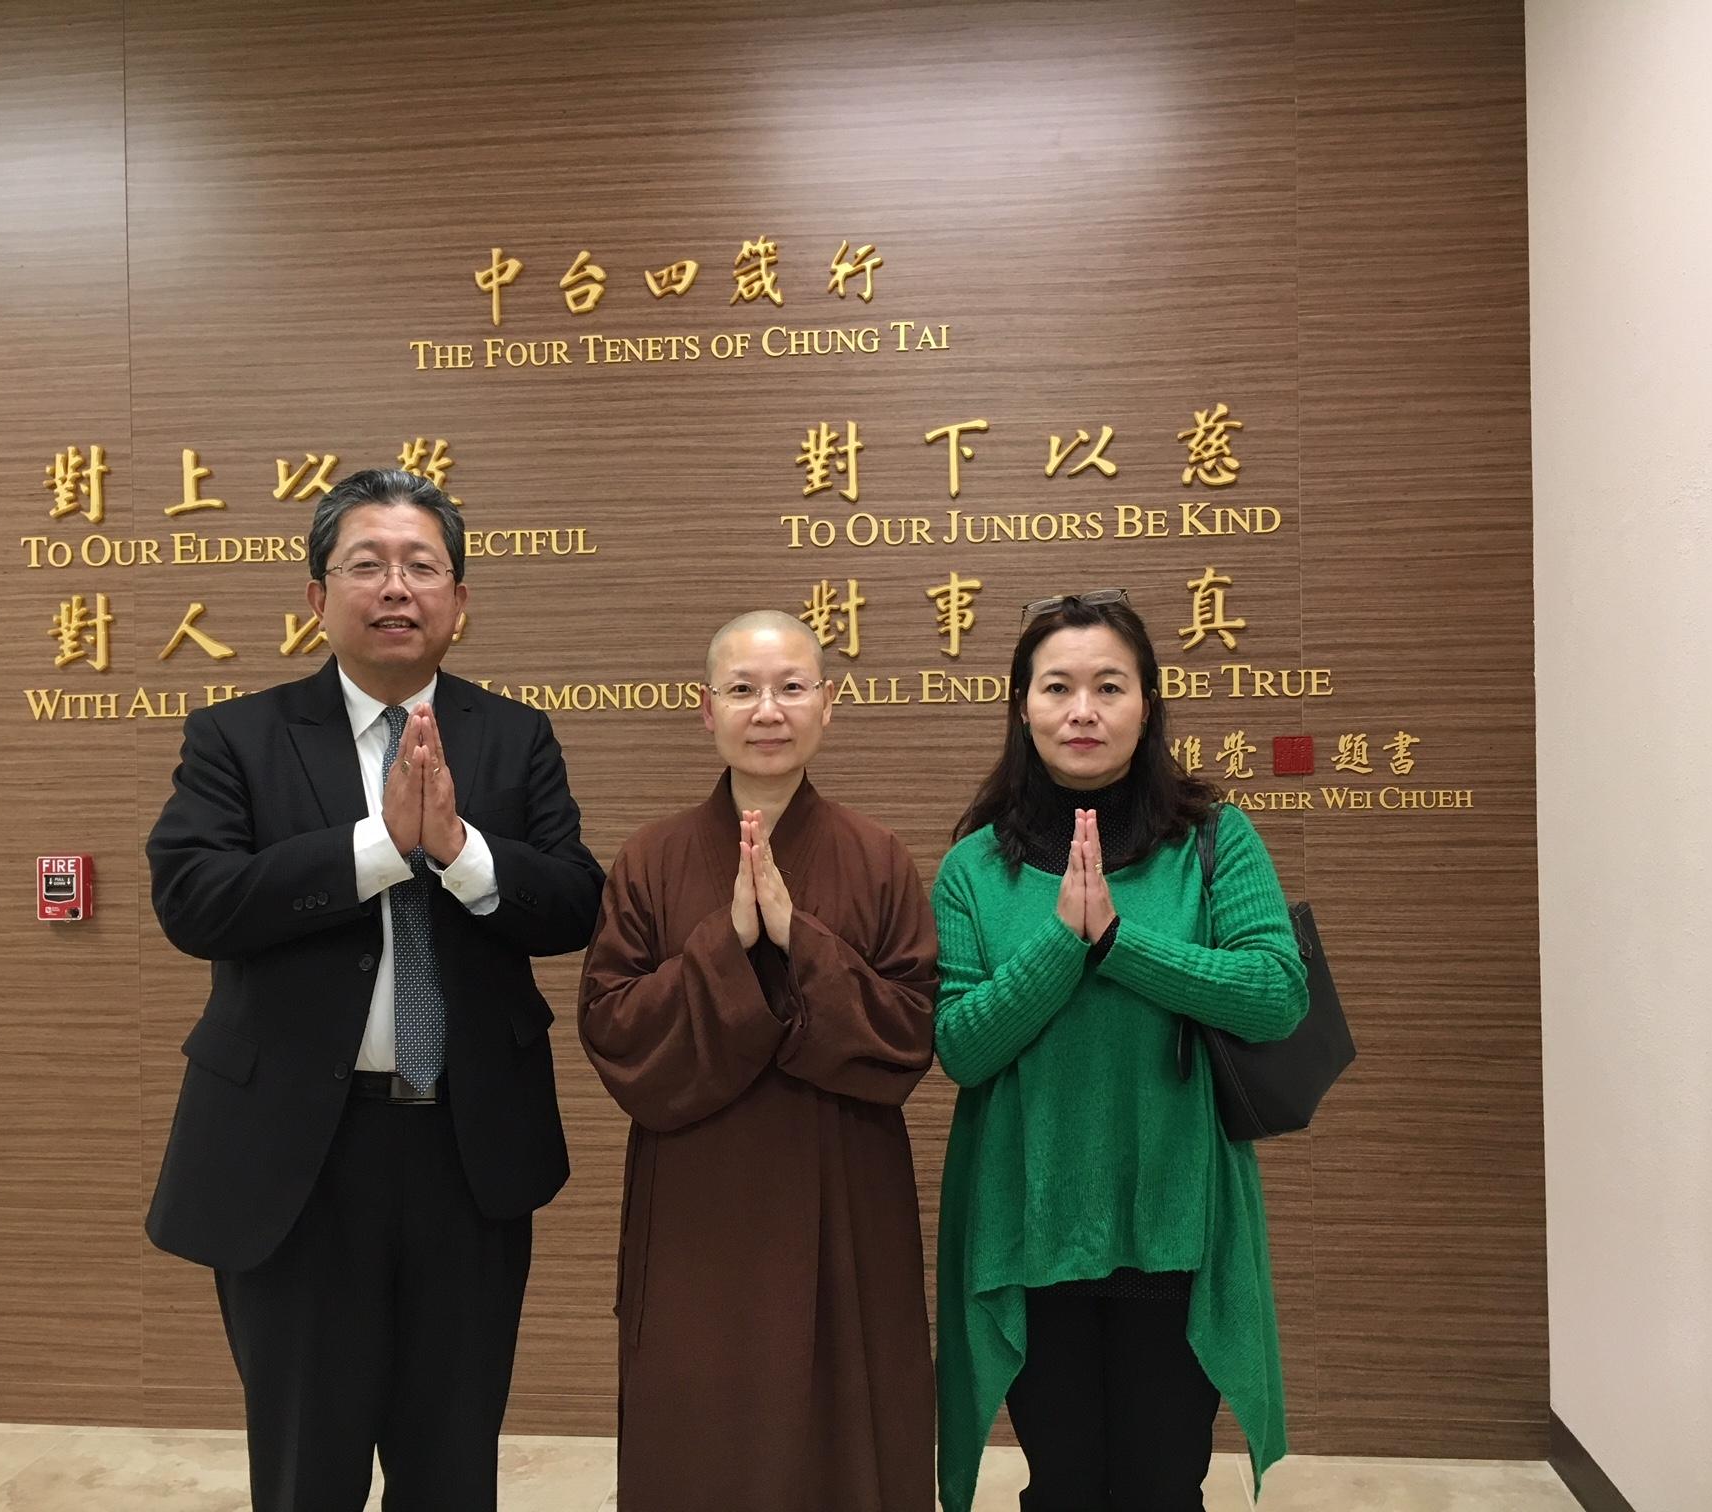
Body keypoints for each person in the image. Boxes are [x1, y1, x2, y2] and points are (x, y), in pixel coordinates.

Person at [145, 468, 605, 1512]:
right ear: (317, 596)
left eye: (421, 566)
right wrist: (377, 849)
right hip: (297, 1159)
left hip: (465, 1151)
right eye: (367, 564)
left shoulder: (515, 735)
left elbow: (575, 903)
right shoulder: (236, 737)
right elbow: (195, 902)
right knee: (307, 1469)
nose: (396, 587)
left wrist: (460, 850)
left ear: (459, 599)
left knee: (452, 1467)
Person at [931, 590, 1309, 1512]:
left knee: (1161, 1484)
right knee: (1063, 1485)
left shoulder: (1213, 840)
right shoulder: (974, 867)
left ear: (1148, 704)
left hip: (1175, 1220)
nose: (1083, 710)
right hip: (1032, 1223)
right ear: (1023, 706)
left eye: (1109, 686)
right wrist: (1062, 943)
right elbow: (961, 1048)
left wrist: (1117, 942)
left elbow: (1276, 994)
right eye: (1057, 687)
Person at [578, 609, 939, 1512]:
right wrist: (729, 940)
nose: (767, 710)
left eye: (790, 688)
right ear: (708, 710)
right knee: (698, 1421)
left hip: (842, 1180)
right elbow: (613, 1028)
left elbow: (910, 1029)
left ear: (828, 704)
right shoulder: (650, 859)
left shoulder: (878, 857)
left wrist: (795, 938)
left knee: (845, 1426)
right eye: (742, 690)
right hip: (698, 1192)